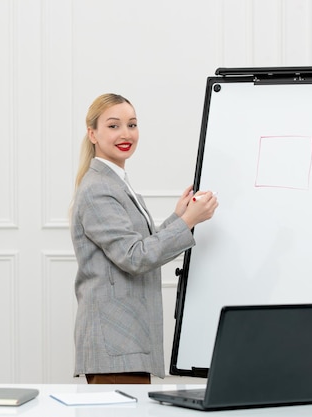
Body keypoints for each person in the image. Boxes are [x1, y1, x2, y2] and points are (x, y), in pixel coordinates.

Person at [70, 93, 218, 384]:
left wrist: (179, 217)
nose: (126, 134)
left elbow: (137, 246)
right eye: (113, 126)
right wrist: (189, 222)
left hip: (126, 342)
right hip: (114, 345)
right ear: (93, 134)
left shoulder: (115, 183)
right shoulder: (98, 188)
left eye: (132, 124)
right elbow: (136, 257)